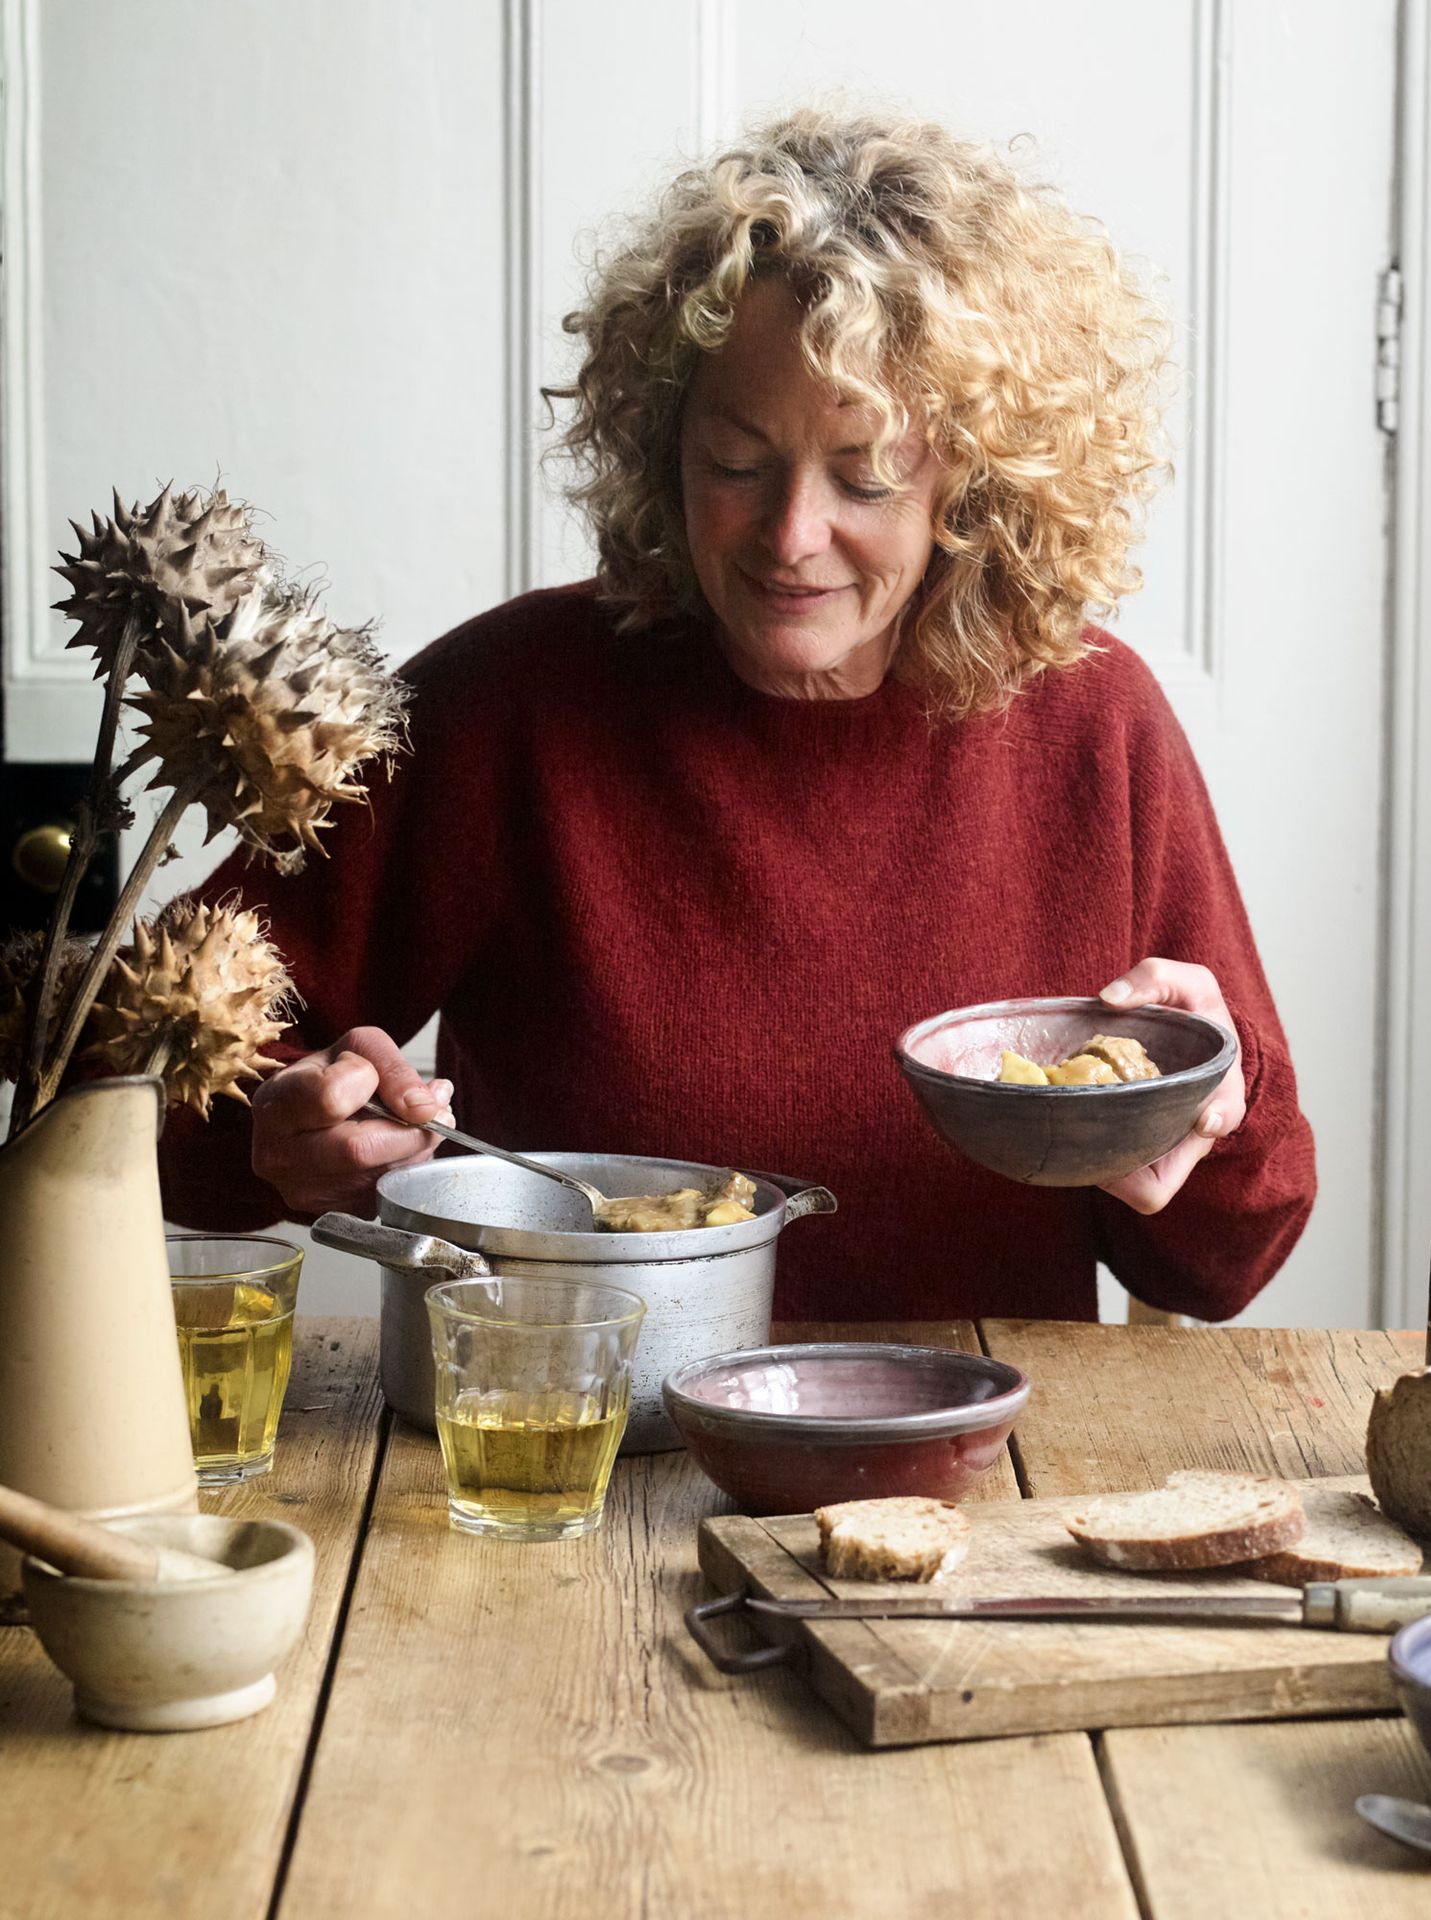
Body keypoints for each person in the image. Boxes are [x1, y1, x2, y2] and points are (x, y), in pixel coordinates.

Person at [160, 109, 1316, 1322]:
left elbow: (1226, 1262)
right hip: (585, 1456)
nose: (790, 535)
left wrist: (1211, 1107)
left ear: (970, 486)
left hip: (977, 1476)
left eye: (864, 475)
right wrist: (275, 1132)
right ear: (665, 448)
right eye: (737, 460)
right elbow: (147, 1068)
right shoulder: (503, 708)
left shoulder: (1092, 724)